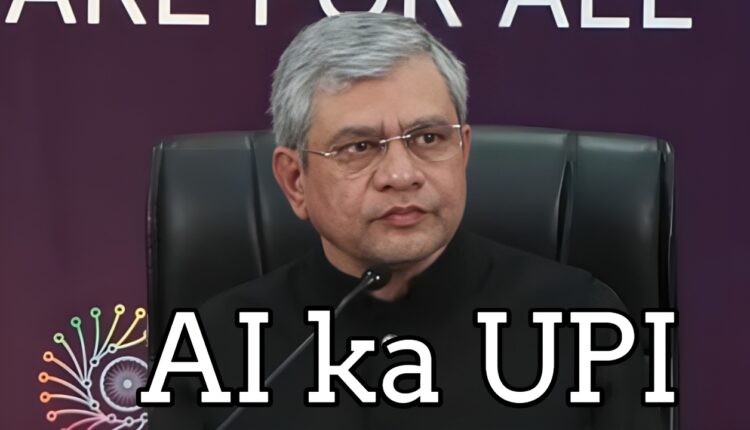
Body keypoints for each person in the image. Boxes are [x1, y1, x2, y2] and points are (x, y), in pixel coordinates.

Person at [150, 12, 657, 430]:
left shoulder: (582, 324)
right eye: (359, 147)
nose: (400, 175)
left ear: (463, 151)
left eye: (429, 138)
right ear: (295, 180)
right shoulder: (214, 349)